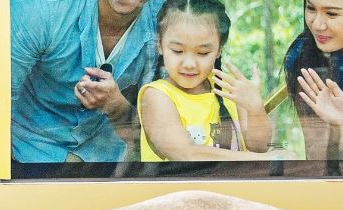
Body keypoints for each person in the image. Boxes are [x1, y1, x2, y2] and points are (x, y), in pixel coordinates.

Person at [11, 0, 158, 163]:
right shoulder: (42, 10)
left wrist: (115, 106)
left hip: (109, 156)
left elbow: (168, 134)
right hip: (27, 148)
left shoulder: (164, 17)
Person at [138, 0, 274, 161]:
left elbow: (259, 147)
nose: (189, 64)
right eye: (178, 51)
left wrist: (255, 109)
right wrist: (268, 160)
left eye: (202, 53)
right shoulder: (156, 96)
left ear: (219, 50)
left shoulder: (229, 89)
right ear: (160, 45)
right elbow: (185, 154)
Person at [285, 0, 343, 159]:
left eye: (331, 13)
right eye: (310, 8)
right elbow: (315, 153)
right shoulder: (303, 53)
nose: (317, 25)